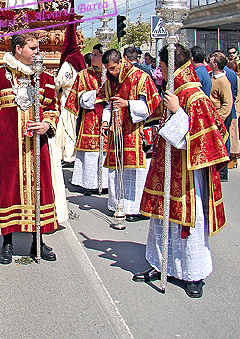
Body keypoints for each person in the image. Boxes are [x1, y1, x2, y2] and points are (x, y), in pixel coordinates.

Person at [134, 44, 229, 298]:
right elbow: (156, 118)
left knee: (190, 221)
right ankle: (160, 264)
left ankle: (193, 273)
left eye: (163, 67)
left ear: (172, 67)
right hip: (166, 163)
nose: (160, 72)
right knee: (161, 217)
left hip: (188, 171)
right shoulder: (173, 91)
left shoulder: (195, 98)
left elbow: (204, 140)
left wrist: (177, 111)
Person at [0, 32, 60, 264]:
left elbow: (53, 108)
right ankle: (7, 243)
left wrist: (46, 123)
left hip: (36, 149)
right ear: (18, 49)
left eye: (38, 48)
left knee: (39, 192)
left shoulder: (44, 79)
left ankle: (37, 242)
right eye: (32, 48)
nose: (37, 53)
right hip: (8, 150)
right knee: (7, 192)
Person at [98, 49, 160, 221]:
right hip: (117, 131)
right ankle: (117, 204)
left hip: (135, 131)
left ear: (121, 62)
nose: (110, 72)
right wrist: (105, 121)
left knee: (135, 172)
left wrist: (127, 104)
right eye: (107, 69)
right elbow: (109, 105)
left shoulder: (141, 77)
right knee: (116, 169)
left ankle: (135, 209)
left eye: (112, 68)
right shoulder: (111, 81)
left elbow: (150, 108)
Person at [65, 44, 108, 194]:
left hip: (108, 119)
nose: (93, 57)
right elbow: (81, 99)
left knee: (105, 153)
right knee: (90, 154)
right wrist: (96, 93)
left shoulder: (112, 74)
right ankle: (88, 182)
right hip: (90, 118)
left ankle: (105, 183)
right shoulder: (84, 75)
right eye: (93, 55)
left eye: (96, 55)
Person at [54, 16, 86, 165]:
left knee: (67, 127)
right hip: (80, 98)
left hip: (68, 99)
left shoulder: (68, 63)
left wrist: (56, 93)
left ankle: (68, 155)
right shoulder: (80, 59)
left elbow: (60, 82)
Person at [208, 51, 234, 182]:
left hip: (219, 117)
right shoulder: (211, 77)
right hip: (212, 116)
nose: (210, 60)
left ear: (216, 64)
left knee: (221, 144)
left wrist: (219, 118)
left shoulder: (223, 81)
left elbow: (227, 103)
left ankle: (222, 173)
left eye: (212, 59)